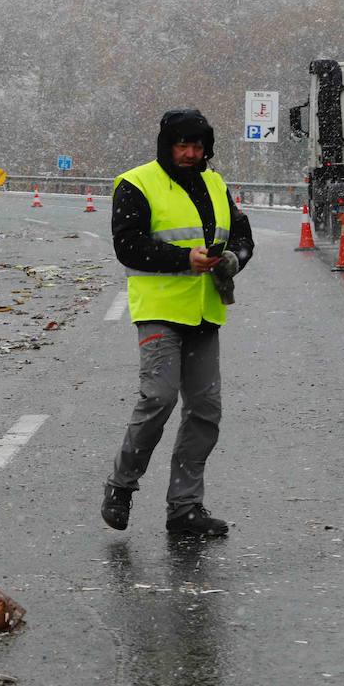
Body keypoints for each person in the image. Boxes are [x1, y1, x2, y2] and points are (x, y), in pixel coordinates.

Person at [102, 108, 254, 536]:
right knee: (159, 398)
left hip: (205, 310)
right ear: (166, 146)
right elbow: (127, 245)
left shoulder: (215, 183)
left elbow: (243, 237)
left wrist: (230, 260)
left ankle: (185, 508)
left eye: (197, 146)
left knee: (205, 411)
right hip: (159, 309)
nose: (190, 153)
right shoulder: (137, 183)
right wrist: (183, 259)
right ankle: (121, 484)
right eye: (182, 145)